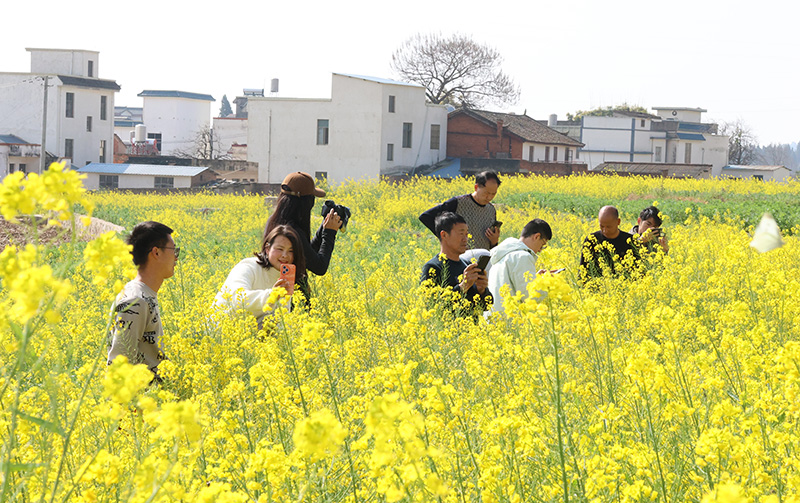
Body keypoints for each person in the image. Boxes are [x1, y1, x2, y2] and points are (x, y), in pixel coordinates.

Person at [108, 221, 178, 381]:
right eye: (173, 250)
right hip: (142, 396)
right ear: (156, 252)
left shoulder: (144, 295)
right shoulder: (135, 300)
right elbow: (119, 366)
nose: (176, 257)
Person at [264, 172, 342, 295]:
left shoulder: (275, 221)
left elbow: (306, 254)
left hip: (275, 294)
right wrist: (329, 233)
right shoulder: (291, 230)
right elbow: (319, 267)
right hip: (290, 298)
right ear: (306, 202)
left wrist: (324, 227)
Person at [213, 225, 305, 328]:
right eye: (279, 249)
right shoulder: (248, 266)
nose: (285, 255)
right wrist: (271, 295)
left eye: (291, 251)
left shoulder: (286, 277)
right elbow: (237, 299)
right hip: (222, 327)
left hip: (250, 331)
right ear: (267, 249)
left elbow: (281, 319)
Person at [420, 212, 492, 314]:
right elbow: (431, 308)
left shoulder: (467, 265)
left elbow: (486, 306)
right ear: (444, 235)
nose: (465, 239)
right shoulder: (433, 268)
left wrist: (482, 290)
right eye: (461, 234)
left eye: (466, 234)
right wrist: (463, 286)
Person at [419, 171, 501, 250]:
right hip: (459, 257)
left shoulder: (491, 210)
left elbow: (490, 245)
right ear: (476, 187)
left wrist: (494, 241)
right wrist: (446, 239)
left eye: (493, 194)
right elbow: (426, 217)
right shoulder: (458, 203)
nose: (489, 197)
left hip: (483, 257)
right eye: (486, 193)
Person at [488, 218, 552, 314]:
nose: (540, 250)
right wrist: (547, 282)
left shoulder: (503, 253)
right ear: (537, 236)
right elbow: (529, 297)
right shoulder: (523, 256)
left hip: (493, 316)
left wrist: (537, 279)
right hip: (509, 318)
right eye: (542, 245)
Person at [579, 206, 642, 281]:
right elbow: (583, 271)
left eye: (608, 227)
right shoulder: (591, 240)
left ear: (618, 222)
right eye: (602, 226)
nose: (605, 230)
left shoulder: (631, 241)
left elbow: (638, 272)